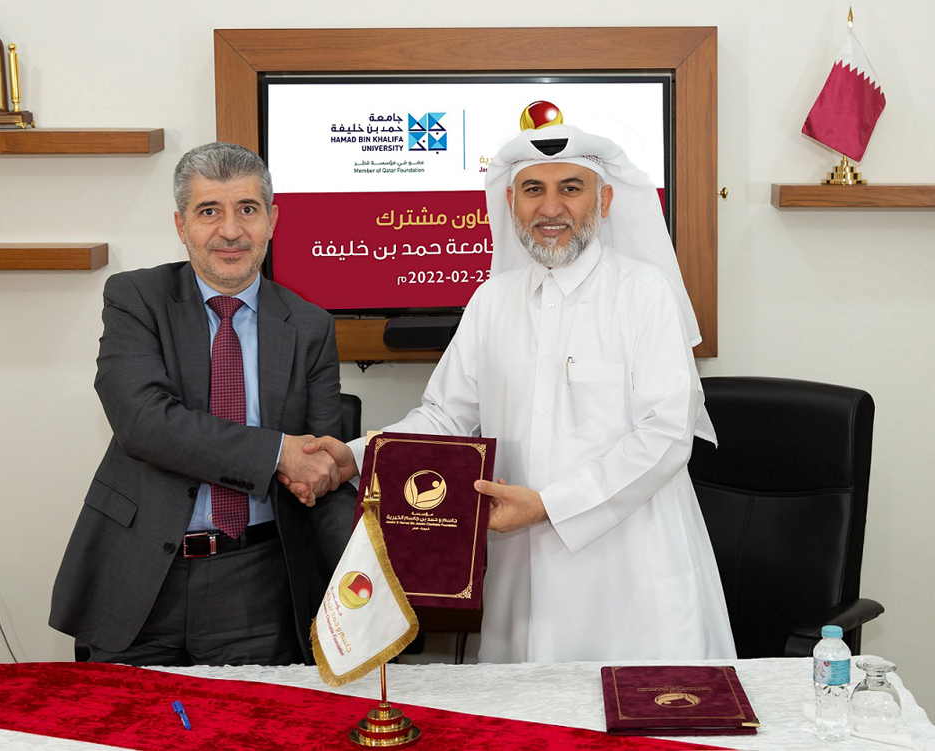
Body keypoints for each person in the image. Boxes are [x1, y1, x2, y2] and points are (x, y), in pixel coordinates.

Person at [295, 123, 736, 663]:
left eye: (571, 188)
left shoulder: (646, 294)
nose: (551, 207)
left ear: (606, 198)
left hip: (629, 568)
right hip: (520, 563)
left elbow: (666, 437)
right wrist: (355, 459)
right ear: (510, 202)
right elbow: (444, 419)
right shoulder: (491, 301)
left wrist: (551, 506)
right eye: (533, 190)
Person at [49, 142, 356, 666]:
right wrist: (277, 454)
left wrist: (371, 574)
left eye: (247, 210)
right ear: (181, 224)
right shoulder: (136, 299)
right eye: (209, 211)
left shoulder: (308, 325)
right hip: (139, 576)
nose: (231, 231)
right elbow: (143, 422)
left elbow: (323, 469)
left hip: (260, 584)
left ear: (272, 220)